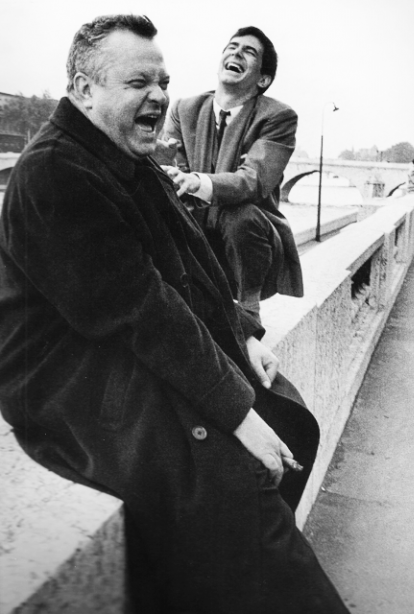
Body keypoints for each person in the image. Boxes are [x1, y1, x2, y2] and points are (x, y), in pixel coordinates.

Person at [0, 14, 350, 614]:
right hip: (65, 381)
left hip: (112, 352)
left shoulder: (122, 159)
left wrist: (241, 335)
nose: (160, 96)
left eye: (163, 81)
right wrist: (235, 412)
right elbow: (141, 308)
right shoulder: (55, 172)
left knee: (283, 423)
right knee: (225, 475)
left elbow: (190, 264)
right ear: (84, 89)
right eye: (139, 82)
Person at [156, 26, 303, 323]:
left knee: (240, 213)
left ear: (263, 79)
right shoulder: (184, 108)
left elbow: (254, 180)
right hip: (196, 231)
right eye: (232, 47)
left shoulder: (278, 117)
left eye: (249, 51)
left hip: (249, 243)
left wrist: (197, 181)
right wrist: (166, 166)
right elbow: (174, 171)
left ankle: (249, 310)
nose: (236, 52)